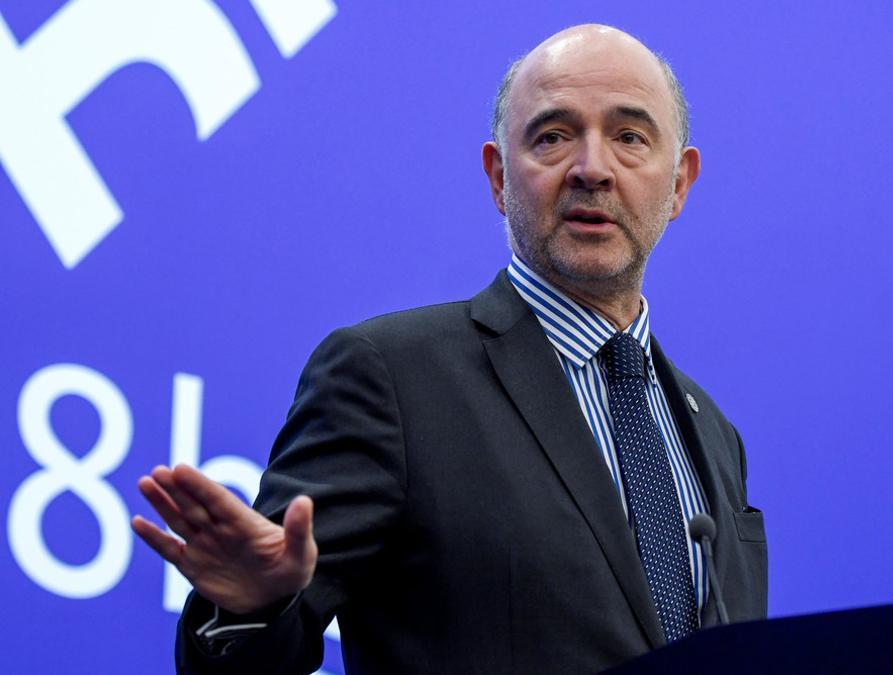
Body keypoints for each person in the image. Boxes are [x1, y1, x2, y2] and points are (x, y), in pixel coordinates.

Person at [132, 24, 767, 675]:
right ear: (498, 177)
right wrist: (254, 606)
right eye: (552, 136)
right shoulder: (391, 377)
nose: (592, 169)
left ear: (680, 183)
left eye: (630, 137)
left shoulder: (713, 434)